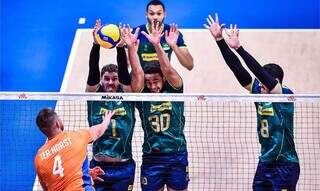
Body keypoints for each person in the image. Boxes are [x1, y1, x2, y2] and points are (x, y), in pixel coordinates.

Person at [205, 13, 300, 191]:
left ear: (277, 83)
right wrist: (220, 41)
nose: (261, 87)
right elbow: (237, 68)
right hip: (264, 163)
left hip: (285, 164)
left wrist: (239, 48)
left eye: (265, 84)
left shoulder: (285, 95)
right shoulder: (259, 92)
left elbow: (259, 73)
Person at [86, 20, 144, 191]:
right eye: (107, 78)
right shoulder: (93, 96)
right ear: (101, 80)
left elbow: (126, 77)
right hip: (99, 167)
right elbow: (92, 73)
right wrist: (96, 45)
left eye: (114, 78)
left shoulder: (127, 95)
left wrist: (120, 47)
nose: (110, 82)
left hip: (123, 167)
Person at [131, 23, 189, 191]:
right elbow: (136, 72)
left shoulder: (175, 90)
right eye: (148, 82)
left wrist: (157, 44)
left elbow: (168, 68)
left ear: (163, 79)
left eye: (155, 81)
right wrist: (131, 49)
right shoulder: (143, 96)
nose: (152, 85)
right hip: (152, 157)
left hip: (176, 154)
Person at [34, 107, 114, 191]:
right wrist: (106, 121)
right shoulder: (76, 137)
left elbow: (47, 187)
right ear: (57, 123)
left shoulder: (39, 158)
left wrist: (86, 172)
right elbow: (97, 131)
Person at [119, 0, 194, 86]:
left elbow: (189, 65)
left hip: (163, 79)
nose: (155, 17)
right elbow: (126, 65)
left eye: (159, 14)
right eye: (151, 14)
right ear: (146, 14)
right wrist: (123, 47)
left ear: (164, 14)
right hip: (141, 81)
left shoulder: (172, 32)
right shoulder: (136, 32)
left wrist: (174, 46)